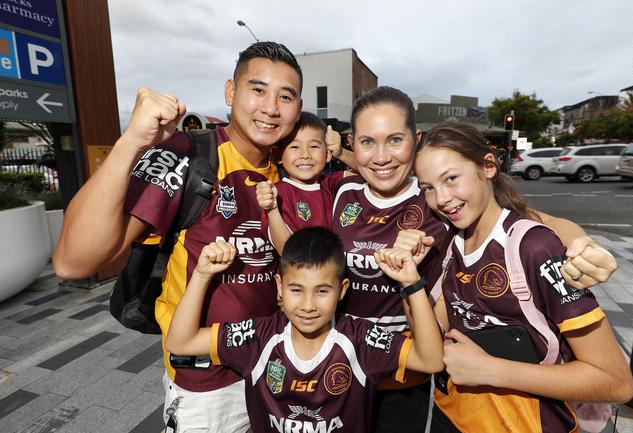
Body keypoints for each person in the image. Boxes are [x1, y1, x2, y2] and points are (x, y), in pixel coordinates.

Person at [325, 86, 619, 433]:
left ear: (415, 140)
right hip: (351, 368)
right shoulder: (342, 191)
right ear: (352, 143)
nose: (382, 157)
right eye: (367, 142)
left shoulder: (435, 199)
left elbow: (536, 223)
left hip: (412, 379)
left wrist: (580, 246)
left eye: (394, 140)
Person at [53, 42, 303, 432]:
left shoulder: (292, 169)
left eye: (285, 96)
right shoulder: (187, 155)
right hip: (206, 387)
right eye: (258, 90)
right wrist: (132, 144)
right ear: (230, 92)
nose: (271, 107)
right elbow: (74, 262)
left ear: (298, 108)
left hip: (274, 371)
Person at [410, 122, 633, 433]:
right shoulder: (448, 240)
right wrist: (408, 279)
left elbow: (615, 382)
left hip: (529, 423)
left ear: (488, 167)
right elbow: (439, 333)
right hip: (454, 417)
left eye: (451, 178)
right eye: (428, 188)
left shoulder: (534, 247)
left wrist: (490, 370)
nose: (442, 198)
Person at [165, 227, 444, 433]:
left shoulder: (359, 340)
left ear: (342, 290)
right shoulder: (260, 338)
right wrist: (202, 276)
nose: (308, 305)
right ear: (279, 287)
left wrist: (411, 281)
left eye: (322, 291)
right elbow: (181, 342)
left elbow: (430, 360)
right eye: (296, 290)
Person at [256, 112, 346, 253]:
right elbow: (285, 250)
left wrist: (341, 153)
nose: (305, 155)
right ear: (278, 155)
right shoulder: (276, 194)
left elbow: (369, 171)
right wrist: (272, 210)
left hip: (333, 273)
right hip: (298, 274)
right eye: (295, 147)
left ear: (328, 154)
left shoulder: (332, 184)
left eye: (314, 147)